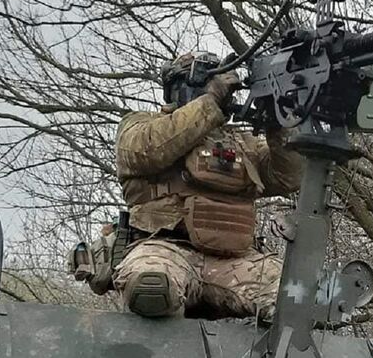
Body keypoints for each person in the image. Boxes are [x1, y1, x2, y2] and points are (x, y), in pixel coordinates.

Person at [110, 51, 301, 319]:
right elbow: (146, 150)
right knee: (152, 287)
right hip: (164, 247)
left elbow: (289, 177)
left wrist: (279, 124)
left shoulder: (242, 143)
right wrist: (209, 102)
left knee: (296, 300)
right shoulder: (141, 125)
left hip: (235, 259)